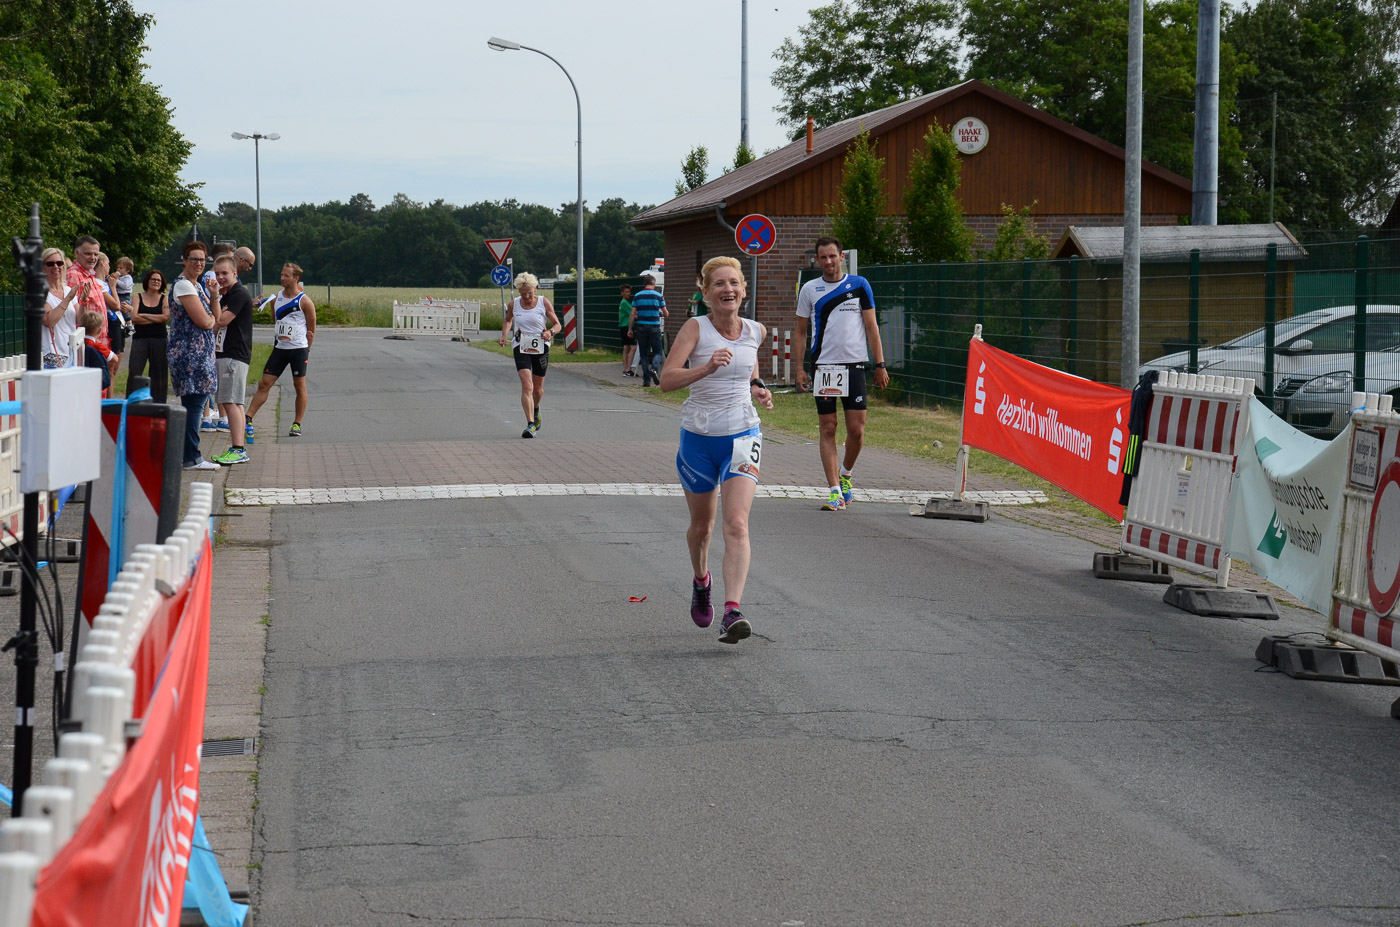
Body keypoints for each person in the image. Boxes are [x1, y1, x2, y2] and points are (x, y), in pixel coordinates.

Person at [659, 256, 773, 645]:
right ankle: (701, 580)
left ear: (744, 289)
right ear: (706, 292)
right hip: (699, 438)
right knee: (702, 528)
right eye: (719, 284)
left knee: (736, 524)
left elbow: (749, 367)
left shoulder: (756, 330)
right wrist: (706, 368)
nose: (728, 289)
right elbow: (667, 380)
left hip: (743, 435)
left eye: (734, 283)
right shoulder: (696, 328)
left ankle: (732, 611)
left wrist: (758, 387)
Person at [794, 236, 889, 511]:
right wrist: (799, 368)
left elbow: (871, 327)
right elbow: (800, 331)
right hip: (824, 367)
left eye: (832, 256)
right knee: (828, 427)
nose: (828, 261)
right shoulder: (810, 289)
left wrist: (880, 364)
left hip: (854, 365)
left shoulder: (859, 285)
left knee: (856, 431)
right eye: (823, 257)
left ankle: (846, 474)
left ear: (842, 257)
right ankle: (834, 490)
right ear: (817, 260)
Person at [246, 262, 316, 439]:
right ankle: (248, 417)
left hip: (298, 349)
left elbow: (311, 329)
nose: (282, 278)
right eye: (281, 275)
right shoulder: (276, 298)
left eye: (286, 275)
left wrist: (307, 348)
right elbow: (275, 321)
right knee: (264, 383)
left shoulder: (305, 301)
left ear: (296, 278)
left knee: (299, 385)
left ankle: (297, 423)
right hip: (280, 348)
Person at [168, 240, 220, 471]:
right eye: (194, 259)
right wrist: (211, 319)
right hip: (190, 354)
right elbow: (204, 321)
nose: (199, 263)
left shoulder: (196, 286)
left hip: (200, 353)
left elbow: (215, 319)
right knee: (195, 405)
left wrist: (215, 296)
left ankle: (189, 455)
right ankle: (191, 457)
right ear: (184, 260)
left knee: (196, 403)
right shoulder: (183, 286)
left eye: (202, 260)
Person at [497, 272, 561, 438]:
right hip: (521, 346)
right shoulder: (514, 304)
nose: (526, 297)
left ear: (535, 288)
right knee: (527, 386)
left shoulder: (543, 302)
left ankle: (536, 408)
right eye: (523, 293)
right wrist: (504, 335)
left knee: (538, 390)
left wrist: (550, 332)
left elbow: (557, 324)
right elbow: (508, 320)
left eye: (529, 293)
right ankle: (530, 424)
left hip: (541, 346)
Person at [210, 255, 253, 465]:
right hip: (225, 353)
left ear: (235, 273)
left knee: (231, 401)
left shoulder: (238, 294)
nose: (220, 277)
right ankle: (238, 447)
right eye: (217, 273)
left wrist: (214, 298)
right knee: (233, 401)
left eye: (224, 273)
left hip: (234, 355)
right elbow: (216, 323)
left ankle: (238, 448)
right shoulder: (226, 295)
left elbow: (221, 320)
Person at [128, 268, 170, 401]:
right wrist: (156, 318)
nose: (156, 282)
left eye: (159, 280)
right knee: (135, 371)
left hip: (160, 339)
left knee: (159, 373)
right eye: (153, 279)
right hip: (140, 339)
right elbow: (134, 318)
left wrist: (144, 315)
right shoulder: (137, 297)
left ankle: (159, 405)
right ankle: (132, 403)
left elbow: (165, 317)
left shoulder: (164, 298)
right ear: (148, 281)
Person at [67, 236, 110, 355]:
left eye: (96, 254)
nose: (93, 258)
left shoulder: (90, 274)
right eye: (88, 254)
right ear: (76, 253)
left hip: (98, 341)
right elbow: (72, 315)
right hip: (87, 345)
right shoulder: (74, 275)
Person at [41, 249, 83, 369]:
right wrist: (67, 299)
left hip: (70, 351)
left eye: (59, 263)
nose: (56, 267)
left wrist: (84, 302)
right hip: (51, 354)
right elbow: (49, 321)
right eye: (50, 263)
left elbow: (80, 320)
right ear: (43, 267)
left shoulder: (68, 290)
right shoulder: (40, 292)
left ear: (64, 266)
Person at [627, 274, 668, 387]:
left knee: (643, 354)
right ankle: (654, 368)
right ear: (653, 284)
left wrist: (630, 329)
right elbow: (665, 313)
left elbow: (632, 314)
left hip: (641, 327)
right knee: (657, 351)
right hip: (654, 327)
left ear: (644, 284)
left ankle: (646, 381)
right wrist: (660, 313)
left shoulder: (637, 296)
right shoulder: (658, 296)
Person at [80, 310, 112, 392]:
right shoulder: (97, 345)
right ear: (99, 330)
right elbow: (114, 358)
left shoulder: (79, 343)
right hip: (97, 381)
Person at [618, 284, 637, 376]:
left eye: (629, 292)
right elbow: (633, 314)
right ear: (622, 293)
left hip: (623, 327)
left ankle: (625, 369)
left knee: (626, 348)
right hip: (626, 327)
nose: (629, 293)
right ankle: (628, 369)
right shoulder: (625, 303)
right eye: (626, 292)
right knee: (633, 347)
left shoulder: (623, 303)